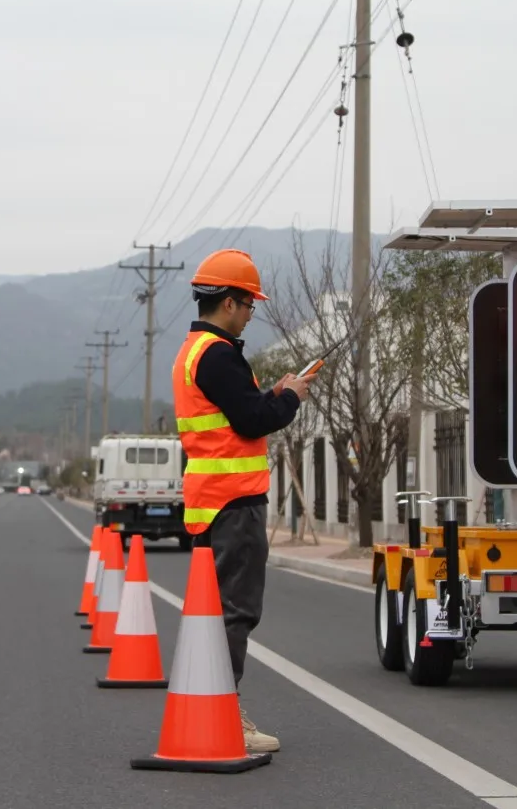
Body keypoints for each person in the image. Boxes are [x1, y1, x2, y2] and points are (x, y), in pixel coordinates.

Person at [171, 248, 315, 754]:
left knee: (218, 611)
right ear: (229, 302)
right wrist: (292, 397)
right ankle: (224, 715)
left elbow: (241, 411)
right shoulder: (219, 355)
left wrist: (272, 393)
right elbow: (253, 421)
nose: (253, 312)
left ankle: (210, 707)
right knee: (236, 611)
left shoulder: (195, 351)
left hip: (211, 501)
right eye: (250, 304)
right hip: (233, 503)